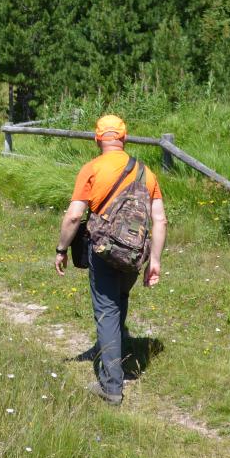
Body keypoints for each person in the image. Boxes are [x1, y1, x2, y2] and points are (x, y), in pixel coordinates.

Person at [54, 114, 166, 405]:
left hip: (103, 251)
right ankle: (118, 355)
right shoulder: (146, 172)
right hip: (133, 253)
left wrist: (61, 249)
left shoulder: (91, 169)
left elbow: (75, 215)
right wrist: (154, 260)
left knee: (106, 311)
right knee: (119, 301)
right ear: (124, 138)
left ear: (97, 139)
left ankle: (112, 387)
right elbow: (159, 220)